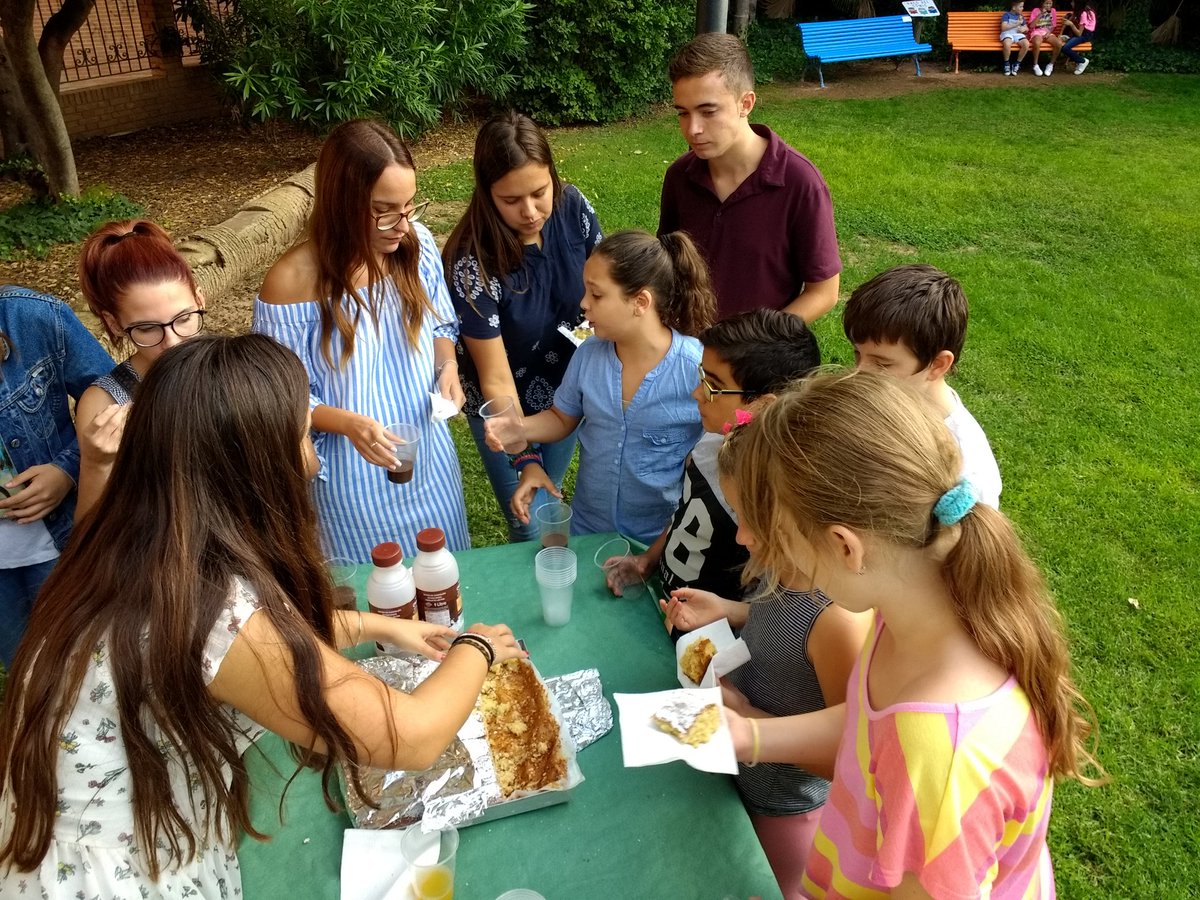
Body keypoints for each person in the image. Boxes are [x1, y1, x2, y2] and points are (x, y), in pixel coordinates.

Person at [0, 334, 526, 898]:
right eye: (303, 434)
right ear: (256, 468)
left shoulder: (141, 533)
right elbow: (411, 737)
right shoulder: (212, 606)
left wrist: (379, 625)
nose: (315, 452)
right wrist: (478, 647)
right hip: (113, 874)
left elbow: (253, 648)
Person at [721, 371, 1103, 898]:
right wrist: (749, 735)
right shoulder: (906, 614)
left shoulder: (936, 755)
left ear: (846, 548)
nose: (745, 537)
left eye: (773, 529)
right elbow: (868, 735)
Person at [660, 414, 870, 898]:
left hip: (785, 808)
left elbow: (850, 760)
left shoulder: (837, 621)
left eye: (750, 520)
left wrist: (745, 716)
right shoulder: (779, 566)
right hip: (739, 768)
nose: (740, 536)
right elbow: (778, 621)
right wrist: (732, 612)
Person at [256, 119, 469, 561]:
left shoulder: (417, 245)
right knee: (378, 601)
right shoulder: (291, 283)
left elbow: (441, 327)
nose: (402, 225)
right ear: (342, 202)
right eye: (385, 209)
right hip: (353, 482)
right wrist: (350, 424)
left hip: (426, 459)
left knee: (445, 582)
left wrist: (446, 367)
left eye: (410, 206)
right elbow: (282, 398)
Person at [489, 230, 715, 544]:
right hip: (588, 533)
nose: (583, 303)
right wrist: (518, 428)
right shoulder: (588, 354)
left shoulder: (697, 368)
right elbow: (561, 417)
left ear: (640, 302)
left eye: (596, 295)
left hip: (658, 541)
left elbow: (714, 454)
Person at [443, 111, 602, 542]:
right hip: (502, 401)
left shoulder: (574, 208)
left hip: (565, 388)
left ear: (553, 175)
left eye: (539, 192)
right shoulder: (471, 263)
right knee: (533, 526)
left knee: (552, 502)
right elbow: (494, 376)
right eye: (511, 200)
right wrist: (523, 457)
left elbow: (603, 287)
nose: (530, 211)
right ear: (486, 192)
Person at [602, 309, 821, 609]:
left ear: (762, 406)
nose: (696, 393)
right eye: (701, 377)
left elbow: (779, 610)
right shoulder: (715, 434)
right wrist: (648, 560)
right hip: (666, 604)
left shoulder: (774, 495)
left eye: (713, 387)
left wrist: (725, 614)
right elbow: (687, 509)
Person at [658, 33, 842, 324]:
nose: (692, 129)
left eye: (708, 111)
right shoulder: (679, 177)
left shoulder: (799, 181)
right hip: (686, 352)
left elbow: (824, 291)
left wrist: (757, 343)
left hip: (760, 359)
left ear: (746, 103)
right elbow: (667, 267)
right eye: (683, 113)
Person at [0, 285, 112, 667]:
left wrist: (68, 469)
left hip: (61, 541)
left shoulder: (31, 317)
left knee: (93, 664)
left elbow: (118, 397)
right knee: (27, 675)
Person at [73, 219, 207, 520]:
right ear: (114, 323)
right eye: (147, 328)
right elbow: (89, 533)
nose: (173, 342)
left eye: (185, 319)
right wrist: (96, 465)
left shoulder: (234, 367)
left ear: (200, 298)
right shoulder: (105, 402)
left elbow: (305, 467)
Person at [843, 263, 1002, 508]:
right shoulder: (874, 403)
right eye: (857, 355)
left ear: (938, 364)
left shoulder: (968, 472)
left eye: (883, 365)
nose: (857, 374)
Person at [1028, 0, 1063, 76]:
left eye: (1050, 3)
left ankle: (1050, 65)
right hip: (1036, 31)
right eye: (1046, 3)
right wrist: (1040, 15)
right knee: (1037, 43)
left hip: (1047, 32)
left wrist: (1049, 33)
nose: (1048, 5)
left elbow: (1053, 26)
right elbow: (1031, 26)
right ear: (1042, 3)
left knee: (1059, 44)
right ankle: (1035, 65)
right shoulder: (1036, 10)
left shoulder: (1053, 11)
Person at [1061, 0, 1096, 74]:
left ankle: (1082, 61)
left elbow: (1079, 34)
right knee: (1062, 44)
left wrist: (1071, 24)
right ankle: (1080, 61)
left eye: (1073, 2)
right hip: (1078, 33)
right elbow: (1067, 22)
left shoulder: (1083, 13)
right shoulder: (1077, 11)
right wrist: (1060, 34)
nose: (1071, 3)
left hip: (1085, 35)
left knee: (1065, 48)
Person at [999, 0, 1031, 76]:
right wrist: (1017, 24)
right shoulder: (1006, 15)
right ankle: (1006, 63)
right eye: (1020, 6)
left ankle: (1017, 64)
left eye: (1022, 6)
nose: (1022, 8)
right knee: (1007, 43)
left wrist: (1024, 29)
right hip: (1007, 33)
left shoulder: (1021, 16)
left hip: (1017, 34)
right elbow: (1003, 28)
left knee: (1026, 44)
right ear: (1014, 7)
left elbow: (1026, 28)